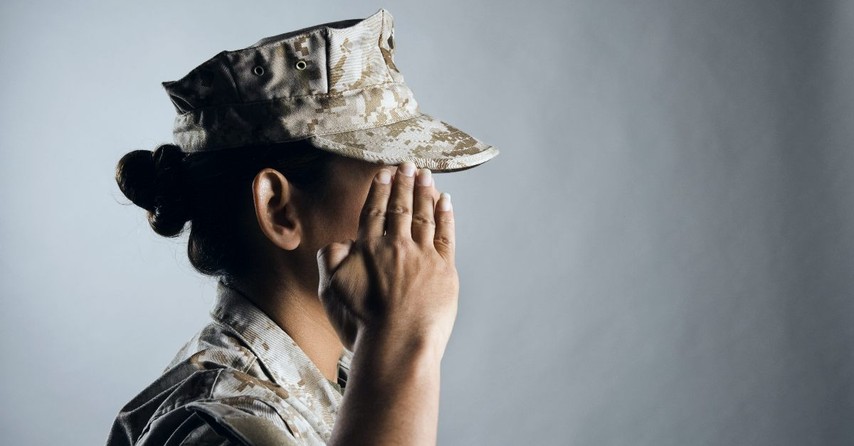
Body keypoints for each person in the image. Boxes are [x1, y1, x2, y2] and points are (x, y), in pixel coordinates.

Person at [107, 9, 498, 445]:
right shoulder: (219, 428)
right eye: (391, 175)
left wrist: (388, 352)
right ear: (279, 209)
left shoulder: (350, 381)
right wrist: (405, 340)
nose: (421, 201)